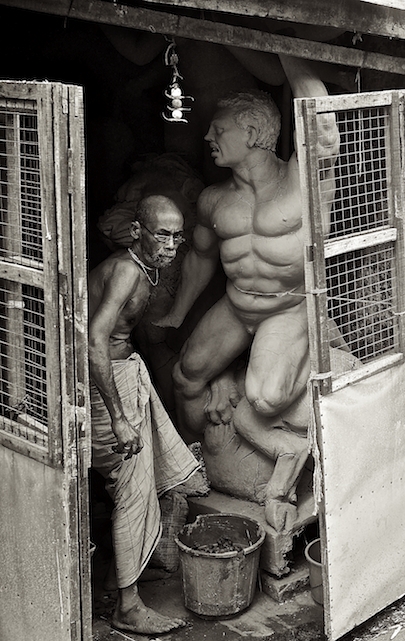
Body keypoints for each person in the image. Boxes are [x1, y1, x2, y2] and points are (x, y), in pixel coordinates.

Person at [155, 55, 340, 531]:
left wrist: (284, 50)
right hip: (239, 306)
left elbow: (320, 118)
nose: (207, 138)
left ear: (254, 132)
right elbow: (200, 257)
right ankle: (197, 467)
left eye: (218, 129)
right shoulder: (215, 200)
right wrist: (178, 313)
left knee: (264, 398)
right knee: (187, 376)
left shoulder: (302, 180)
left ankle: (283, 458)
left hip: (289, 306)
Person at [88, 195, 199, 635]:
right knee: (132, 490)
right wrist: (118, 417)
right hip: (107, 385)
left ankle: (124, 579)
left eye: (178, 236)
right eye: (163, 234)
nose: (172, 245)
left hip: (120, 375)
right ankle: (127, 606)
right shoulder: (127, 272)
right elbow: (95, 341)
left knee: (137, 485)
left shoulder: (137, 267)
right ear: (139, 231)